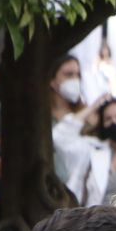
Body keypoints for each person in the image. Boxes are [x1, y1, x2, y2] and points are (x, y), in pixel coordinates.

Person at [49, 55, 100, 187]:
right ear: (52, 81)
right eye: (69, 74)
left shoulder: (89, 116)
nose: (75, 80)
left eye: (78, 75)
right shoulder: (42, 116)